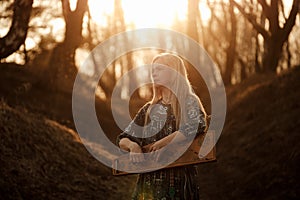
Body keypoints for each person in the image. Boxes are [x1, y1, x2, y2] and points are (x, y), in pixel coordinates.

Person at [117, 53, 208, 200]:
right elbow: (123, 139)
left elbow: (196, 125)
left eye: (159, 69)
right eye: (153, 70)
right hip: (149, 183)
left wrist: (164, 143)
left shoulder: (189, 102)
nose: (154, 73)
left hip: (178, 181)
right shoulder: (148, 109)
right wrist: (133, 146)